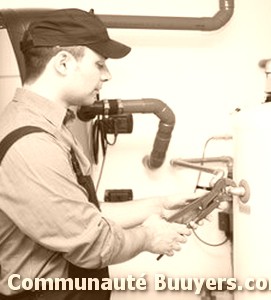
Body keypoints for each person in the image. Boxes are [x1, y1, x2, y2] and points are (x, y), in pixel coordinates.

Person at [0, 8, 203, 300]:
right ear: (64, 63)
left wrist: (161, 205)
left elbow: (82, 215)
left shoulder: (50, 127)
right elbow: (93, 244)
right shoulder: (32, 143)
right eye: (99, 64)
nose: (107, 76)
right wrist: (149, 237)